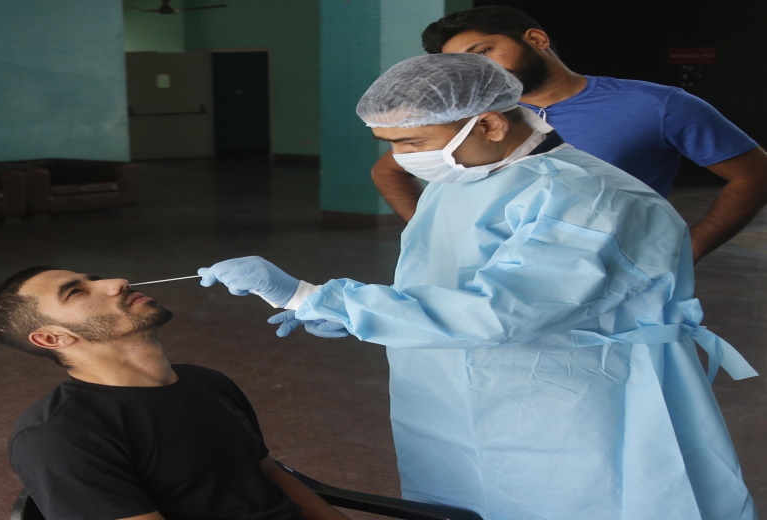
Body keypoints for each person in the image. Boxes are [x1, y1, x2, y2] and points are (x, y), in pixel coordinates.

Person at [198, 53, 759, 520]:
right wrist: (357, 315)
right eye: (391, 142)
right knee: (468, 497)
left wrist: (314, 297)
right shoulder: (468, 177)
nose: (403, 158)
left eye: (413, 140)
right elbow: (447, 284)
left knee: (584, 499)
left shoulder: (588, 198)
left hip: (579, 397)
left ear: (489, 124)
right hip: (467, 386)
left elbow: (505, 309)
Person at [370, 5, 767, 263]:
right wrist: (434, 233)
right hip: (499, 280)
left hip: (615, 273)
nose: (480, 71)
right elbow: (389, 170)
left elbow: (753, 174)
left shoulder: (655, 105)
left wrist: (688, 250)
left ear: (536, 39)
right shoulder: (472, 119)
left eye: (483, 52)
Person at [0, 266, 351, 520]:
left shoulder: (207, 381)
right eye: (77, 292)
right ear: (52, 338)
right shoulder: (58, 437)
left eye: (94, 278)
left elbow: (269, 474)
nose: (117, 281)